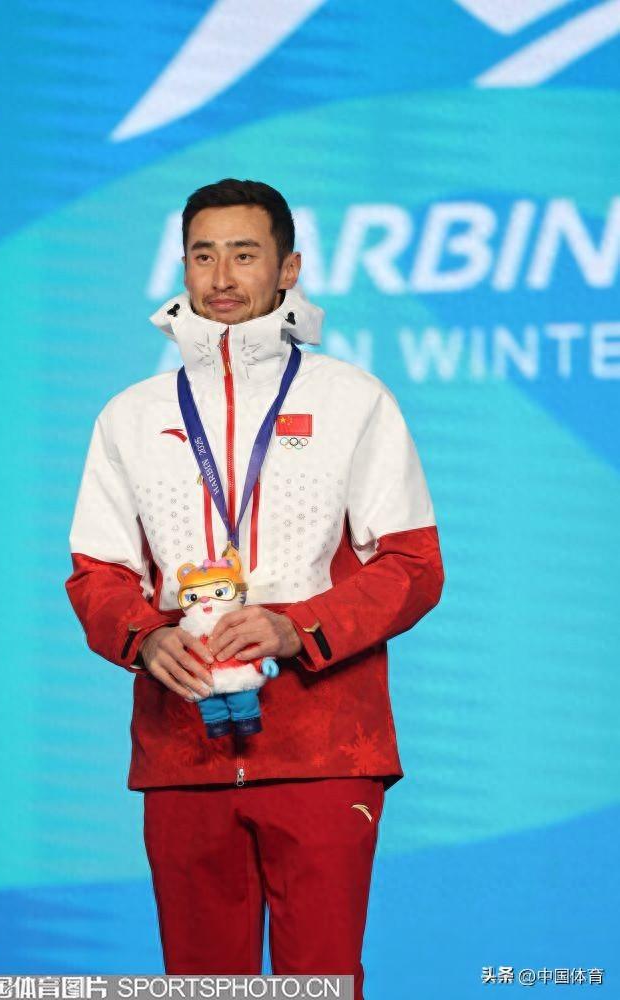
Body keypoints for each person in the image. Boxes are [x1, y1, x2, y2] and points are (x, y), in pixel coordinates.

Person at [65, 178, 444, 997]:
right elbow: (98, 572)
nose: (222, 276)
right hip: (182, 746)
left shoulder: (352, 400)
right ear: (183, 267)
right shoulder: (130, 416)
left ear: (288, 269)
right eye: (203, 255)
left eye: (245, 254)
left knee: (320, 982)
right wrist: (145, 637)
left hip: (324, 745)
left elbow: (413, 565)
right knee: (202, 985)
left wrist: (295, 628)